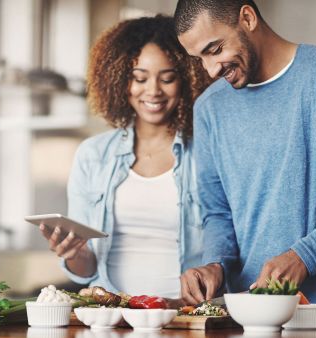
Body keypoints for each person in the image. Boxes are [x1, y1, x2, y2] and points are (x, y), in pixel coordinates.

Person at [173, 0, 316, 325]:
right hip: (249, 315)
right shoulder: (209, 109)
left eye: (216, 49)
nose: (210, 70)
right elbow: (218, 211)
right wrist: (216, 264)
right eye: (200, 58)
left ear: (248, 18)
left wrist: (304, 257)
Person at [39, 15, 210, 300]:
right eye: (139, 78)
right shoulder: (93, 156)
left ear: (186, 80)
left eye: (167, 78)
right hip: (111, 314)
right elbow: (86, 270)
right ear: (119, 81)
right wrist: (75, 253)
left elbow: (225, 248)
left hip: (185, 316)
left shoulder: (206, 154)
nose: (153, 91)